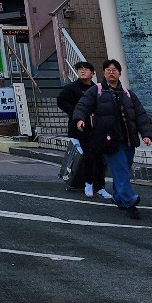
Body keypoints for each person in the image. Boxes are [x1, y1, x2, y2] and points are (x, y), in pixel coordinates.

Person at [72, 58, 152, 219]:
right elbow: (82, 106)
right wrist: (80, 119)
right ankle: (130, 201)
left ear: (120, 73)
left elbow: (140, 115)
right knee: (121, 170)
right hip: (109, 140)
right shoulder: (96, 91)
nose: (111, 73)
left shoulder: (128, 94)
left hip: (128, 139)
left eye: (114, 70)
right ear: (104, 73)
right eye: (108, 70)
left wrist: (146, 134)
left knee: (123, 170)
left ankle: (118, 197)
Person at [56, 59, 109, 200]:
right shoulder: (72, 88)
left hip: (96, 128)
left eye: (86, 69)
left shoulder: (97, 88)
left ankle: (100, 187)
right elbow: (61, 101)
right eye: (80, 69)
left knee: (100, 157)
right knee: (88, 156)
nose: (82, 71)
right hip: (80, 128)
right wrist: (76, 112)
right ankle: (88, 183)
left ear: (92, 73)